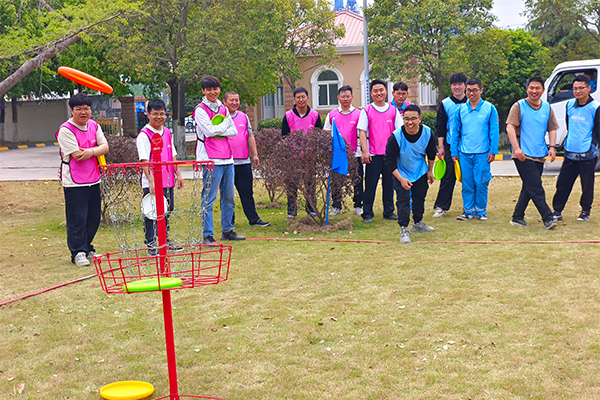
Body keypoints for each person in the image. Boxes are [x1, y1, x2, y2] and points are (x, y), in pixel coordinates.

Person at [56, 92, 109, 266]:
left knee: (93, 217)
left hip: (93, 178)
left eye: (86, 108)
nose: (83, 112)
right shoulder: (65, 130)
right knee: (77, 217)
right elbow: (78, 155)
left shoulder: (93, 125)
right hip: (74, 181)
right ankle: (77, 252)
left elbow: (105, 147)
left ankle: (87, 247)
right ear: (72, 110)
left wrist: (91, 151)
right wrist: (94, 150)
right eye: (79, 109)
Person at [195, 76, 245, 244]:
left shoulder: (223, 108)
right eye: (208, 89)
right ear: (203, 91)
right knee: (209, 198)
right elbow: (209, 132)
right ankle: (207, 234)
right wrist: (224, 126)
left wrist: (218, 129)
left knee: (229, 198)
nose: (212, 92)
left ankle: (227, 230)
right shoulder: (200, 110)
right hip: (210, 160)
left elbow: (234, 131)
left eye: (215, 88)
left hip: (227, 158)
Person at [506, 77, 558, 230]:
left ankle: (517, 217)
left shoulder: (547, 108)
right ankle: (548, 218)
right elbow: (510, 127)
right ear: (527, 88)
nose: (534, 91)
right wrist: (516, 148)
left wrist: (552, 147)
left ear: (543, 90)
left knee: (529, 187)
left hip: (539, 154)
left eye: (537, 88)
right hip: (523, 154)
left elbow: (552, 128)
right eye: (531, 88)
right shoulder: (518, 106)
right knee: (536, 187)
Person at [136, 99, 185, 255]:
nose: (159, 117)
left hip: (168, 179)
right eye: (155, 114)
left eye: (162, 114)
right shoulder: (144, 135)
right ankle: (151, 244)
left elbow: (172, 154)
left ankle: (164, 240)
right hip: (153, 181)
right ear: (148, 114)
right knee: (152, 212)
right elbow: (144, 160)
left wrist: (178, 173)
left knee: (167, 210)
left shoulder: (167, 132)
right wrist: (151, 181)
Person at [384, 105, 436, 243]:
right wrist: (401, 179)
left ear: (420, 119)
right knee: (403, 200)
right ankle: (404, 228)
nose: (410, 122)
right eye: (406, 119)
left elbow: (431, 153)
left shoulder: (428, 133)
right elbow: (389, 160)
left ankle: (418, 223)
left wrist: (430, 171)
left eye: (413, 118)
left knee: (419, 198)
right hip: (401, 172)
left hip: (420, 171)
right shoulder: (396, 136)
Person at [551, 74, 600, 222]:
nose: (578, 91)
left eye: (581, 88)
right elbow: (569, 126)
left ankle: (585, 211)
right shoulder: (569, 105)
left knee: (587, 186)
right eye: (575, 88)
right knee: (563, 183)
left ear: (589, 88)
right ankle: (557, 211)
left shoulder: (596, 107)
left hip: (588, 153)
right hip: (570, 152)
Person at [450, 77, 499, 221]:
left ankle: (481, 211)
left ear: (481, 91)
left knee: (481, 182)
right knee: (467, 183)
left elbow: (494, 130)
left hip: (483, 153)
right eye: (468, 90)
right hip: (464, 153)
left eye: (474, 90)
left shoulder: (489, 108)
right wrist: (454, 151)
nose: (471, 93)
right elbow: (455, 132)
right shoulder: (460, 110)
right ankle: (468, 211)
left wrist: (493, 150)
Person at [358, 79, 404, 223]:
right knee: (370, 185)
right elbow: (362, 132)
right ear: (371, 93)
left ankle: (388, 212)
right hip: (373, 155)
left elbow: (399, 132)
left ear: (386, 92)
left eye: (381, 90)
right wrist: (365, 151)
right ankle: (367, 213)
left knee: (389, 185)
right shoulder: (366, 111)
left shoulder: (393, 110)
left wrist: (398, 152)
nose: (379, 93)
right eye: (375, 91)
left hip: (389, 155)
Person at [222, 90, 270, 227]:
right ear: (224, 102)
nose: (234, 103)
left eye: (236, 100)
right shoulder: (220, 117)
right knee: (227, 195)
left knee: (247, 193)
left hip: (243, 161)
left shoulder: (243, 117)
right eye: (231, 100)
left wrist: (255, 154)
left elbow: (250, 136)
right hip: (226, 162)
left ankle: (253, 219)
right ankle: (229, 222)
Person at [281, 87, 323, 220]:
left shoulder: (315, 115)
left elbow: (319, 135)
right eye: (298, 97)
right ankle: (291, 212)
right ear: (294, 99)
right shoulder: (288, 116)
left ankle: (311, 210)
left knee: (310, 184)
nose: (301, 100)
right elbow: (284, 136)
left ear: (307, 98)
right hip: (293, 157)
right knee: (292, 184)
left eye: (303, 97)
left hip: (310, 157)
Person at [432, 72, 468, 217]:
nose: (457, 87)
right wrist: (441, 147)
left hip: (468, 145)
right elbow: (440, 127)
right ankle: (441, 207)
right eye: (454, 84)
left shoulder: (472, 102)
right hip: (450, 145)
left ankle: (471, 207)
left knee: (469, 177)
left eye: (460, 84)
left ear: (465, 86)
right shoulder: (446, 104)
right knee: (448, 176)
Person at [323, 85, 363, 216]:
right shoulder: (332, 114)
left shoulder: (359, 114)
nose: (345, 99)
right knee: (337, 181)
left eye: (347, 96)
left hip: (355, 154)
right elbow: (327, 133)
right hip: (337, 155)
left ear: (352, 97)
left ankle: (358, 205)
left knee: (357, 180)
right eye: (343, 96)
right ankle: (336, 206)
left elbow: (362, 133)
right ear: (338, 98)